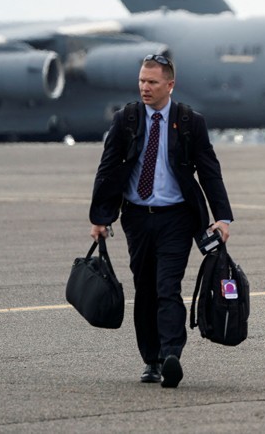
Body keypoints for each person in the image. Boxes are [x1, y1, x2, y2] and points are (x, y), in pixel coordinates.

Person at [89, 53, 233, 388]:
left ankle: (171, 355)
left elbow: (210, 171)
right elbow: (107, 170)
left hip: (177, 218)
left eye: (152, 82)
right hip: (137, 218)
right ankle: (150, 360)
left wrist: (222, 217)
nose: (145, 87)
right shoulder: (126, 119)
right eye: (141, 80)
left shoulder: (189, 121)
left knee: (168, 286)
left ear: (170, 84)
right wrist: (100, 217)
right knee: (145, 288)